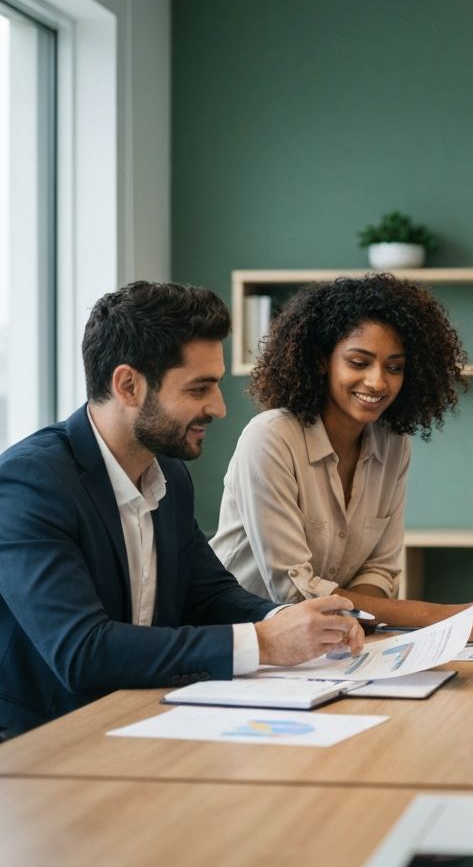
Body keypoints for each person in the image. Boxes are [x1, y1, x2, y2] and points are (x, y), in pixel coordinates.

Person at [0, 282, 365, 741]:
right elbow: (81, 650)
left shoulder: (168, 474)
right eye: (199, 388)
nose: (219, 407)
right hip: (42, 745)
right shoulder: (30, 483)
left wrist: (290, 622)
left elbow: (209, 597)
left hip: (144, 719)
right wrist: (265, 643)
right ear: (128, 385)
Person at [211, 273, 473, 643]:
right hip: (244, 646)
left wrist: (353, 617)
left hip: (332, 645)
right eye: (359, 362)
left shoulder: (392, 444)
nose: (377, 382)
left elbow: (380, 572)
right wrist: (448, 617)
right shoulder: (270, 439)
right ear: (323, 360)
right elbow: (294, 595)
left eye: (394, 367)